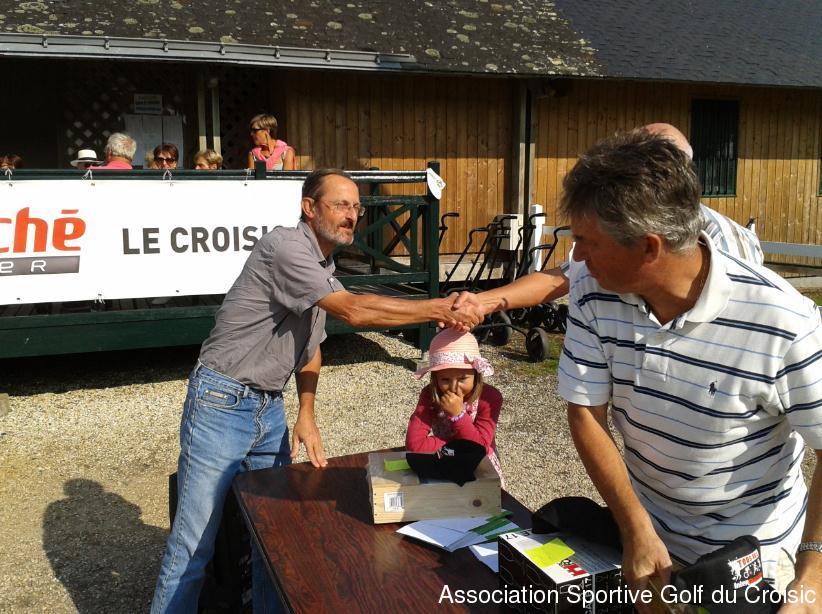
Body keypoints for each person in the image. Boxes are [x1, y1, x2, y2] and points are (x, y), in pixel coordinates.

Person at [151, 168, 482, 613]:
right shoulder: (286, 247)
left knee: (276, 535)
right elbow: (355, 312)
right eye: (340, 204)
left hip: (268, 407)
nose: (352, 215)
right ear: (309, 207)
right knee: (194, 545)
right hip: (221, 401)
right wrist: (439, 307)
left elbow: (310, 351)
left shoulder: (324, 268)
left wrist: (306, 414)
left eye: (357, 207)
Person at [556, 129, 821, 608]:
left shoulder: (784, 322)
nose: (577, 257)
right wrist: (636, 529)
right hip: (650, 542)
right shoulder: (592, 291)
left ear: (649, 247)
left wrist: (812, 580)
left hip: (753, 559)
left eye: (587, 242)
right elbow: (585, 413)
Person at [450, 122, 764, 320]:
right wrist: (483, 301)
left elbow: (742, 317)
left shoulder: (727, 241)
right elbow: (565, 277)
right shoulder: (619, 232)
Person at [406, 328, 504, 482]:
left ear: (476, 374)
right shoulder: (429, 394)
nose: (453, 387)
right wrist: (459, 449)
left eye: (462, 379)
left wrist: (459, 415)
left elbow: (481, 450)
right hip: (445, 466)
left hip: (480, 470)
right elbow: (415, 444)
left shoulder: (489, 398)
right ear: (435, 378)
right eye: (445, 380)